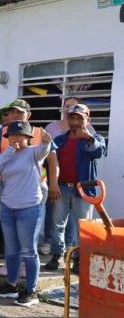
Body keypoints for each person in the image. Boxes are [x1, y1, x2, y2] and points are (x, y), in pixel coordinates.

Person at [0, 121, 52, 307]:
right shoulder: (6, 154)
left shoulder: (34, 152)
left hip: (29, 208)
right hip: (8, 208)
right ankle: (11, 286)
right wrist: (8, 152)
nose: (15, 138)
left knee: (29, 252)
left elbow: (44, 150)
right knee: (11, 250)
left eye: (20, 135)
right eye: (11, 135)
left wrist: (47, 142)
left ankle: (31, 292)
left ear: (28, 137)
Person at [46, 104, 106, 272]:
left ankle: (78, 259)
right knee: (57, 224)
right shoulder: (59, 140)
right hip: (61, 188)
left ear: (88, 119)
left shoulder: (96, 138)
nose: (76, 121)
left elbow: (99, 153)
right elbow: (49, 162)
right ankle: (57, 255)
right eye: (72, 117)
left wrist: (88, 138)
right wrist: (52, 184)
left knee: (83, 227)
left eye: (80, 117)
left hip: (84, 190)